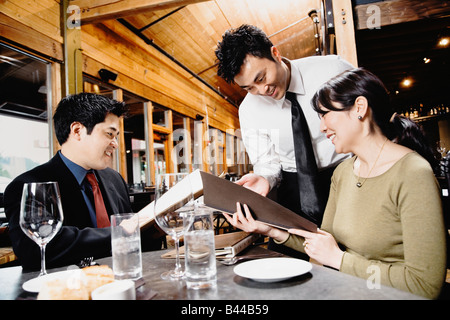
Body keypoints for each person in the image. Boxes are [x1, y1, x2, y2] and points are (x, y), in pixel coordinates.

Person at [223, 68, 447, 299]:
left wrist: (339, 260)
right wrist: (268, 229)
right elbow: (323, 242)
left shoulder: (413, 173)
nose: (321, 127)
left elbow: (424, 285)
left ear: (359, 108)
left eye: (325, 114)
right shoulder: (343, 171)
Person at [215, 24, 353, 257]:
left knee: (348, 257)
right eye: (249, 87)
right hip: (295, 186)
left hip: (348, 175)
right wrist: (264, 177)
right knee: (285, 260)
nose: (261, 90)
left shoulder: (332, 69)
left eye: (261, 77)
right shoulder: (249, 109)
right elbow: (267, 162)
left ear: (275, 53)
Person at [4, 93, 162, 270]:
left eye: (116, 136)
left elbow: (133, 242)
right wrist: (118, 233)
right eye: (110, 134)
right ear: (77, 131)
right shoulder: (28, 185)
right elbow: (35, 250)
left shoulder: (114, 179)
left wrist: (155, 230)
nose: (115, 143)